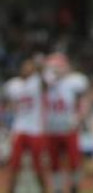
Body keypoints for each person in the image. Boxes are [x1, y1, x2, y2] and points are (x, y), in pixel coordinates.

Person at [2, 57, 50, 193]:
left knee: (38, 166)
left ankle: (44, 189)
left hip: (35, 129)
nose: (26, 69)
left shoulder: (37, 82)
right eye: (25, 66)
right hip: (19, 127)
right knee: (14, 165)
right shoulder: (14, 84)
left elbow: (45, 84)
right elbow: (5, 101)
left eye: (30, 67)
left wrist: (40, 66)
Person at [43, 52, 88, 193]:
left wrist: (79, 117)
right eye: (53, 67)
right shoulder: (44, 83)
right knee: (54, 162)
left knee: (75, 161)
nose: (56, 70)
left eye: (59, 66)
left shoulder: (74, 81)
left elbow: (84, 101)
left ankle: (75, 188)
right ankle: (57, 189)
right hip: (51, 128)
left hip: (69, 127)